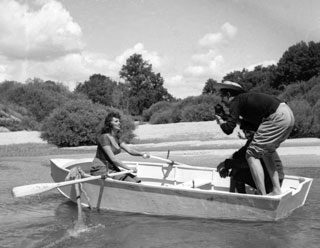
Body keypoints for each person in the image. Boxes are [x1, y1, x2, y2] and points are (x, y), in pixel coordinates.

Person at [214, 81, 294, 195]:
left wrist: (221, 122)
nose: (221, 100)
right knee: (266, 152)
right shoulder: (245, 100)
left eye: (222, 96)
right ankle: (276, 190)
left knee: (251, 154)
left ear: (228, 94)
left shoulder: (235, 101)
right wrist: (227, 117)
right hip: (287, 114)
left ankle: (262, 195)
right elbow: (253, 126)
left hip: (277, 117)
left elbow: (228, 129)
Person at [216, 121, 284, 194]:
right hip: (276, 179)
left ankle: (238, 196)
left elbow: (246, 163)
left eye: (247, 131)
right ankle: (236, 194)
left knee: (236, 171)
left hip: (271, 181)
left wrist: (227, 164)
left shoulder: (257, 142)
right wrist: (225, 164)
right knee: (235, 165)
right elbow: (239, 154)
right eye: (245, 131)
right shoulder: (258, 140)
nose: (246, 133)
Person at [90, 111, 149, 183]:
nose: (119, 123)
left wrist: (142, 154)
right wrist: (129, 168)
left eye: (119, 121)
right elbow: (113, 159)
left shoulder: (116, 138)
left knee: (136, 179)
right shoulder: (104, 137)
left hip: (111, 167)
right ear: (110, 124)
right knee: (131, 181)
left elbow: (130, 150)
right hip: (100, 168)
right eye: (116, 121)